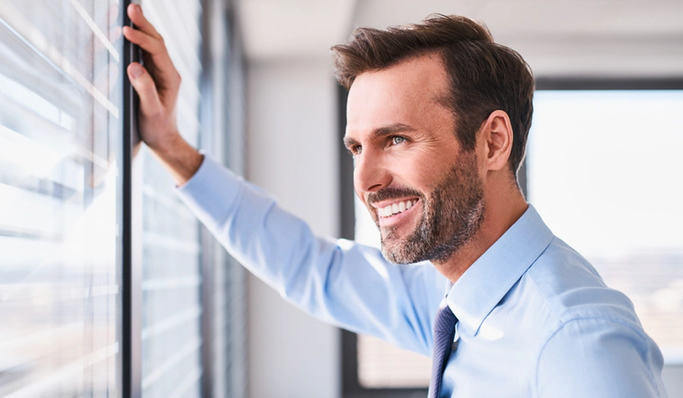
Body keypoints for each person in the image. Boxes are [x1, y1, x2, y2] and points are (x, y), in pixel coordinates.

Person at [122, 4, 667, 397]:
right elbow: (314, 268)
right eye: (357, 147)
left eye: (396, 139)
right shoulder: (456, 296)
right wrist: (170, 145)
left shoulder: (576, 343)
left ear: (493, 142)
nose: (366, 179)